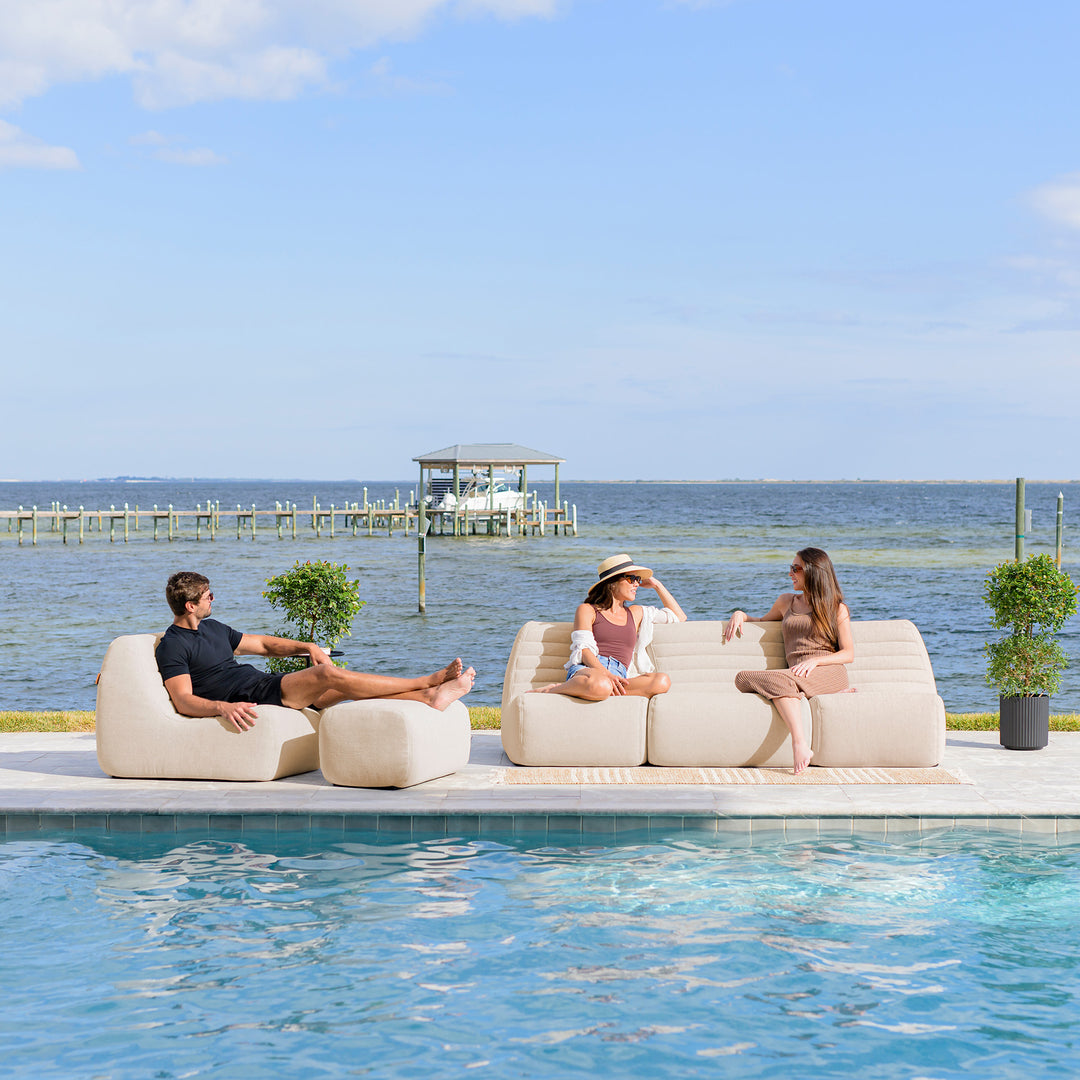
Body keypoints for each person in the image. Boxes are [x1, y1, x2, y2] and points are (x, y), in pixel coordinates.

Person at [155, 571, 474, 731]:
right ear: (190, 605)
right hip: (258, 695)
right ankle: (425, 682)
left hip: (265, 684)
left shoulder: (213, 628)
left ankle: (428, 698)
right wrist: (222, 709)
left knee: (342, 685)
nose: (214, 599)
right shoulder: (173, 646)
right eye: (208, 596)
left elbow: (265, 645)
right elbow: (183, 701)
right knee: (326, 673)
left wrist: (307, 646)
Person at [724, 547, 853, 775]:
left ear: (813, 572)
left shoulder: (837, 608)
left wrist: (816, 662)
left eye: (796, 569)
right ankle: (807, 693)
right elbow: (761, 620)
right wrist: (740, 614)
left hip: (828, 670)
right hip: (794, 674)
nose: (790, 574)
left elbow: (848, 653)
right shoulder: (786, 602)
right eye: (790, 568)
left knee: (780, 680)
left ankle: (798, 743)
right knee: (743, 678)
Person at [535, 553, 686, 700]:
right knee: (601, 684)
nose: (636, 584)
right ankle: (553, 689)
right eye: (631, 578)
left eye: (638, 579)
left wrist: (656, 585)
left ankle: (603, 691)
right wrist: (605, 674)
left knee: (662, 681)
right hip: (590, 670)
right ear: (612, 583)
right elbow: (584, 650)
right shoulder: (588, 610)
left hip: (619, 675)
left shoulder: (636, 613)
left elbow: (679, 617)